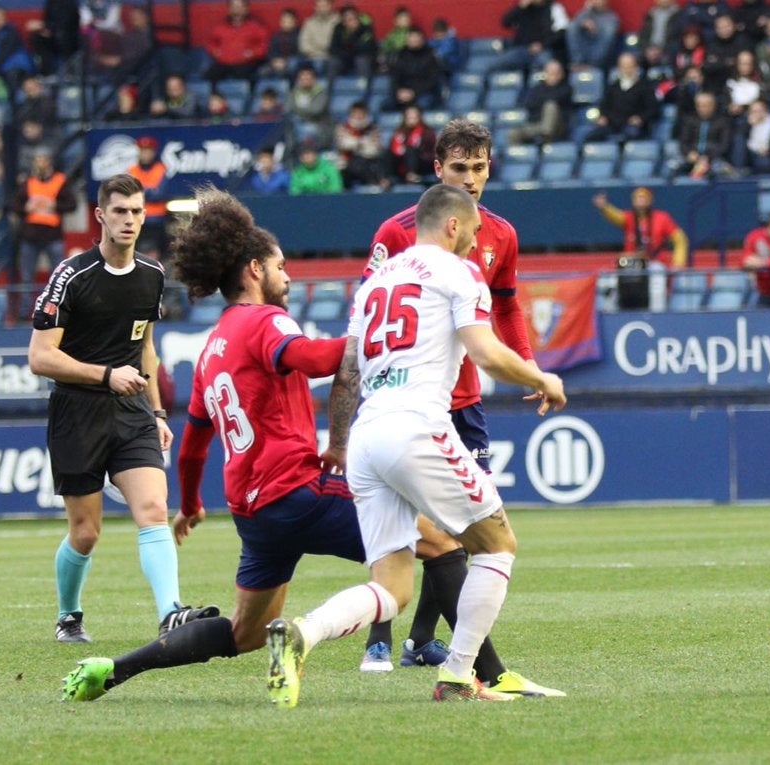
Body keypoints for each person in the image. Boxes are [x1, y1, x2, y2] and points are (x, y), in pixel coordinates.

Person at [59, 189, 557, 702]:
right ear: (254, 270)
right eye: (280, 267)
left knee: (242, 634)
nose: (289, 277)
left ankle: (113, 669)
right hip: (297, 490)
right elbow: (314, 359)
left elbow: (192, 444)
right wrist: (387, 339)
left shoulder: (212, 347)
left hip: (252, 512)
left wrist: (188, 506)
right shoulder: (266, 321)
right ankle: (483, 674)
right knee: (442, 544)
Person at [264, 184, 568, 708]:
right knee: (497, 544)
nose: (475, 244)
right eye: (472, 232)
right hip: (416, 427)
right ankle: (456, 675)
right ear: (453, 225)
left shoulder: (375, 282)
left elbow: (350, 370)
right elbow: (486, 354)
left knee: (393, 586)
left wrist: (337, 441)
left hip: (366, 437)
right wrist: (541, 378)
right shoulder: (458, 271)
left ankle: (301, 634)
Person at [358, 120, 553, 697]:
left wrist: (528, 362)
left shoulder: (501, 235)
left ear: (490, 167)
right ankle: (389, 637)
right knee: (434, 532)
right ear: (437, 169)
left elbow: (509, 307)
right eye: (459, 168)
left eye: (480, 167)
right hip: (409, 403)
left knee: (455, 534)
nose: (470, 180)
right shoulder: (399, 233)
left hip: (463, 404)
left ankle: (422, 641)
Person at [28, 174, 215, 643]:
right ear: (100, 216)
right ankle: (69, 615)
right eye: (119, 212)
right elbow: (40, 357)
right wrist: (106, 375)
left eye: (136, 211)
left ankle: (171, 613)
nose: (128, 220)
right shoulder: (70, 275)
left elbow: (145, 347)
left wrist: (155, 411)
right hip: (78, 412)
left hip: (132, 411)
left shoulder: (152, 275)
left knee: (153, 508)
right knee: (86, 533)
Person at [9, 149, 76, 297]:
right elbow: (14, 204)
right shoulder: (28, 181)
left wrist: (55, 206)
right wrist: (26, 208)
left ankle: (58, 309)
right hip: (30, 236)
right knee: (26, 278)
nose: (40, 163)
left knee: (58, 277)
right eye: (37, 160)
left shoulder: (60, 181)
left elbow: (72, 204)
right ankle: (24, 312)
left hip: (53, 236)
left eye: (43, 160)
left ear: (49, 162)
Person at [592, 186, 688, 268]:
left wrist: (678, 263)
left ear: (650, 200)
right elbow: (616, 216)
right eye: (638, 198)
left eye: (644, 198)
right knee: (618, 267)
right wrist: (604, 207)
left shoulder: (662, 218)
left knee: (656, 272)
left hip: (656, 262)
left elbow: (680, 239)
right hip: (633, 262)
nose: (641, 200)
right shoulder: (629, 218)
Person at [126, 135, 167, 253]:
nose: (145, 155)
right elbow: (129, 194)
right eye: (143, 151)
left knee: (156, 252)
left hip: (156, 219)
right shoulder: (132, 170)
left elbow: (159, 194)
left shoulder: (161, 169)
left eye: (148, 151)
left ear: (154, 152)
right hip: (136, 219)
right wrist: (149, 190)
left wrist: (140, 190)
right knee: (136, 252)